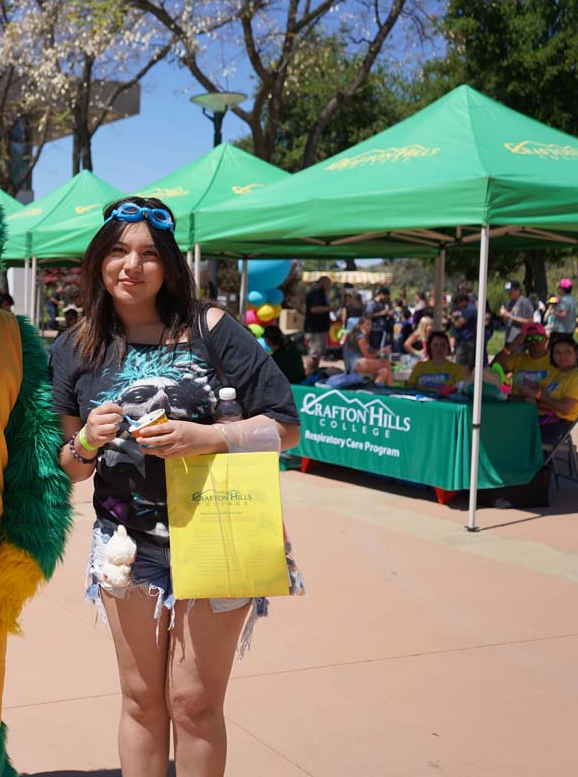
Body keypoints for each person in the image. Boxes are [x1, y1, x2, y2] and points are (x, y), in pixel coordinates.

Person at [49, 195, 300, 777]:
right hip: (125, 546)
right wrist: (86, 439)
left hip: (220, 534)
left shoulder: (211, 329)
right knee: (141, 700)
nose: (130, 266)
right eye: (117, 251)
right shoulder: (75, 346)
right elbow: (68, 465)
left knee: (194, 703)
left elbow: (286, 427)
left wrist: (205, 438)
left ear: (168, 266)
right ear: (98, 262)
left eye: (147, 254)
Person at [520, 336, 578, 448]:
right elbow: (548, 398)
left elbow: (565, 408)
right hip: (545, 420)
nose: (562, 356)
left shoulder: (575, 376)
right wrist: (536, 388)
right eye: (557, 352)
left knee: (510, 431)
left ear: (576, 354)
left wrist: (537, 394)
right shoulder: (561, 373)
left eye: (567, 352)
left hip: (556, 426)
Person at [493, 322, 551, 390]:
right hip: (516, 399)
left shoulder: (554, 360)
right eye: (528, 339)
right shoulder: (518, 358)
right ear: (524, 344)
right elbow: (494, 367)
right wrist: (512, 346)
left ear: (546, 339)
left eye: (537, 338)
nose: (533, 342)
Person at [344, 317, 393, 386]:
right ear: (360, 325)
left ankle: (376, 390)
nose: (370, 327)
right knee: (386, 363)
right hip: (357, 364)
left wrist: (382, 350)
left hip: (351, 365)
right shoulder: (361, 337)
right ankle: (391, 390)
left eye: (371, 325)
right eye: (367, 324)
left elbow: (369, 351)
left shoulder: (355, 335)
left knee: (383, 371)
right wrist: (380, 353)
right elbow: (367, 355)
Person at [303, 275, 332, 372]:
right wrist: (330, 308)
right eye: (328, 284)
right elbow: (314, 309)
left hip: (321, 329)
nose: (329, 286)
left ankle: (314, 373)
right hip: (314, 329)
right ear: (322, 283)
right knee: (313, 354)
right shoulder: (315, 294)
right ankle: (308, 375)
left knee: (317, 355)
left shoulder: (322, 294)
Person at [499, 280, 535, 351]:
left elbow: (530, 321)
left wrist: (511, 316)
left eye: (511, 291)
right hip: (509, 338)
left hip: (519, 339)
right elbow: (506, 321)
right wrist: (503, 315)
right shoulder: (509, 302)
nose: (509, 294)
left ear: (518, 290)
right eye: (508, 291)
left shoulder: (525, 302)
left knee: (517, 360)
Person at [450, 293, 479, 367]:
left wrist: (452, 319)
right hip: (465, 340)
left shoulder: (470, 309)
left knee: (460, 363)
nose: (458, 306)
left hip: (466, 341)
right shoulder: (467, 309)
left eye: (458, 303)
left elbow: (459, 324)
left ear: (463, 301)